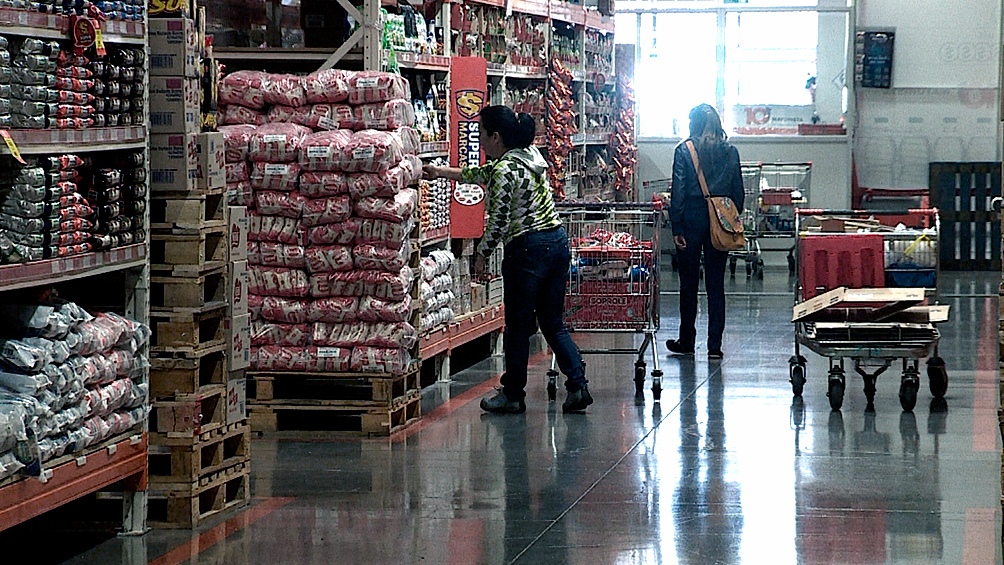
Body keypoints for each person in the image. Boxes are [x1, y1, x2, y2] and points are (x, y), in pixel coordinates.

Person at [423, 105, 590, 414]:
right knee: (552, 323)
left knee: (517, 326)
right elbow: (479, 174)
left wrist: (481, 255)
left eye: (482, 134)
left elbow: (498, 221)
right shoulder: (528, 156)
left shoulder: (504, 170)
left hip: (527, 249)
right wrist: (440, 172)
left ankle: (513, 394)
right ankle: (578, 385)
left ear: (496, 137)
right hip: (556, 242)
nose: (480, 140)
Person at [666, 103, 744, 360]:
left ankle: (687, 340)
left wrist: (677, 225)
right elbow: (738, 192)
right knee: (716, 284)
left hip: (691, 218)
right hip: (719, 221)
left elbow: (678, 191)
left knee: (688, 283)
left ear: (694, 124)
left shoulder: (684, 151)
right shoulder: (730, 151)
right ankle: (715, 346)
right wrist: (729, 219)